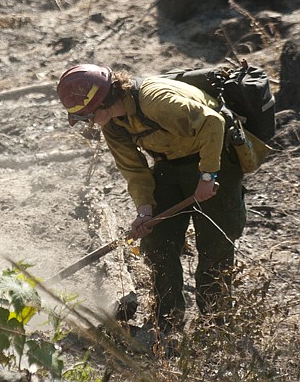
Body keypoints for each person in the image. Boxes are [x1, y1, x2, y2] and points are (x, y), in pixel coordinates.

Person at [56, 64, 246, 333]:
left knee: (214, 247)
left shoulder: (155, 100)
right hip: (169, 166)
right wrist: (145, 211)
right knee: (157, 243)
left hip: (215, 161)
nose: (88, 124)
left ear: (102, 103)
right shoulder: (113, 125)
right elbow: (134, 171)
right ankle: (167, 321)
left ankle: (216, 326)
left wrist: (207, 177)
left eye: (87, 117)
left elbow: (212, 123)